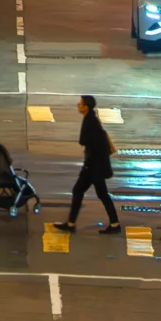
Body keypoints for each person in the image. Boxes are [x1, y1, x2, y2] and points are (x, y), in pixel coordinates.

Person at [53, 95, 120, 235]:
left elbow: (85, 141)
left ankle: (114, 224)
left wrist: (88, 165)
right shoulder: (91, 119)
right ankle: (72, 223)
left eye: (80, 104)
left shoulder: (90, 121)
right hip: (94, 166)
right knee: (84, 191)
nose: (78, 106)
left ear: (86, 107)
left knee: (93, 193)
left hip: (94, 167)